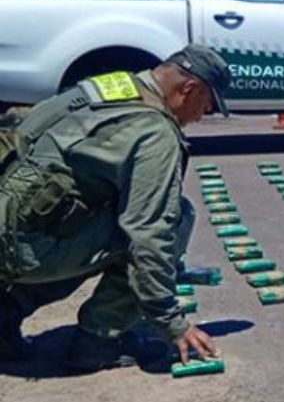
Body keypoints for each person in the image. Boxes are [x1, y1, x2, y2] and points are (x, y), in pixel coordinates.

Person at [0, 44, 231, 371]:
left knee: (79, 214)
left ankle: (5, 311)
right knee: (174, 218)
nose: (199, 117)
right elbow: (150, 233)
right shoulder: (154, 131)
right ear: (188, 89)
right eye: (204, 106)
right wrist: (170, 321)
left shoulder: (106, 87)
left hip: (10, 223)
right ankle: (99, 341)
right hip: (19, 245)